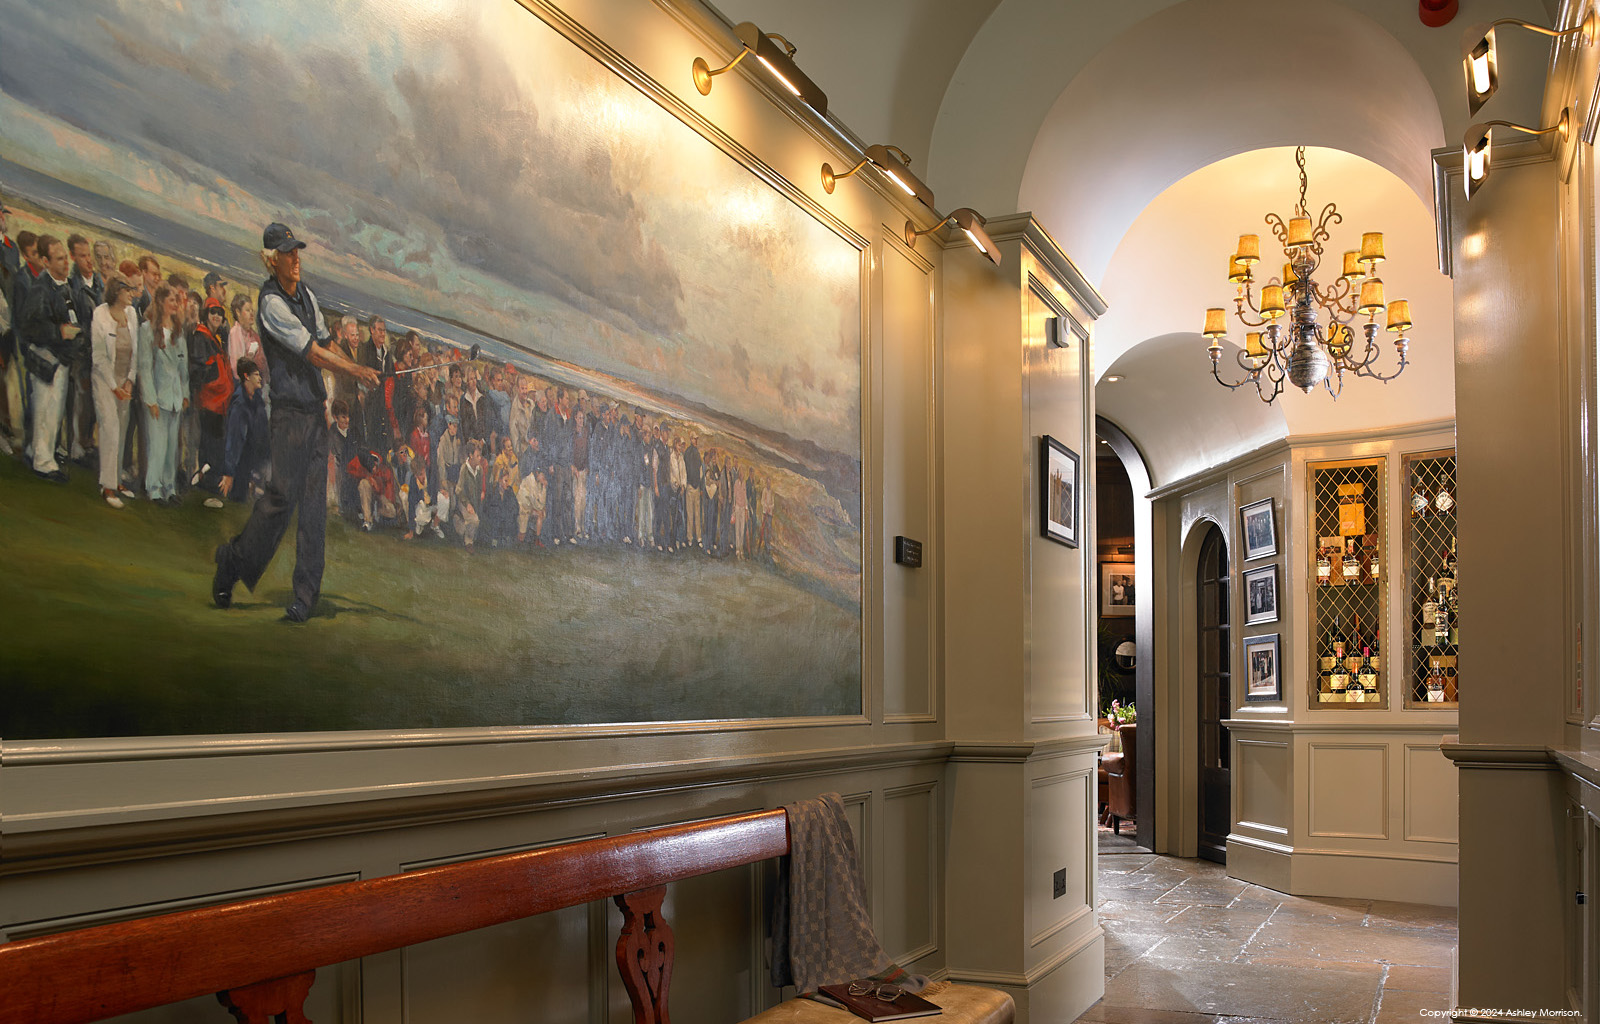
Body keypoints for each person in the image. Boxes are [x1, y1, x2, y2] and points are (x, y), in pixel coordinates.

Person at [211, 223, 379, 623]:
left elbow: (327, 341)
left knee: (314, 508)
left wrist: (361, 367)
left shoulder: (306, 295)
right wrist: (355, 370)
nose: (296, 258)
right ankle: (232, 561)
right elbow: (314, 355)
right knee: (279, 502)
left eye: (296, 251)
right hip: (287, 415)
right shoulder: (271, 304)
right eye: (287, 253)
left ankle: (305, 596)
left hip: (314, 414)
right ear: (272, 261)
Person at [18, 235, 81, 481]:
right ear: (45, 261)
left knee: (52, 412)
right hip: (46, 359)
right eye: (59, 259)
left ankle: (38, 453)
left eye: (66, 258)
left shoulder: (64, 286)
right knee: (46, 411)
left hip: (60, 359)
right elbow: (27, 327)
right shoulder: (40, 288)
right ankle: (43, 463)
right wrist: (59, 332)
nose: (66, 263)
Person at [90, 279, 140, 507]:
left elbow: (135, 352)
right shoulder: (100, 314)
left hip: (124, 381)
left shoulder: (131, 314)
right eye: (127, 290)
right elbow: (99, 358)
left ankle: (117, 478)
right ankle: (107, 486)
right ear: (116, 292)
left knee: (121, 429)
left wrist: (129, 380)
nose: (132, 293)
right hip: (104, 381)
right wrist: (114, 386)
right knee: (109, 429)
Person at [136, 285, 187, 503]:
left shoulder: (177, 331)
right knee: (157, 444)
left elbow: (183, 368)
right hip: (158, 396)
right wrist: (150, 398)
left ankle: (170, 487)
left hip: (175, 398)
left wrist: (185, 394)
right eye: (172, 300)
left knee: (171, 447)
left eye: (177, 301)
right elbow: (144, 367)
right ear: (161, 303)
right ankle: (154, 488)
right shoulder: (147, 330)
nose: (175, 304)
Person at [190, 298, 233, 507]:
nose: (216, 316)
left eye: (220, 314)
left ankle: (209, 485)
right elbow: (200, 368)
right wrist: (217, 377)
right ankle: (207, 487)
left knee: (215, 445)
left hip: (219, 403)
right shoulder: (201, 336)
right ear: (206, 314)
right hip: (210, 402)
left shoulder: (215, 337)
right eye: (213, 312)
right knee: (210, 446)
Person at [220, 357, 269, 503]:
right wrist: (229, 472)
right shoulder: (239, 404)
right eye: (256, 375)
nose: (260, 378)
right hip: (242, 462)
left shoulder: (258, 400)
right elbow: (234, 439)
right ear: (246, 376)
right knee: (238, 500)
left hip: (256, 460)